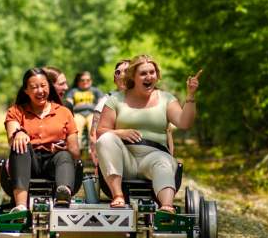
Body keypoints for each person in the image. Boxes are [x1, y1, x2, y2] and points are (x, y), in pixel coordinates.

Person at [95, 54, 202, 214]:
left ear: (157, 75)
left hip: (154, 156)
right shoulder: (116, 100)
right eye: (143, 73)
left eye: (152, 72)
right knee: (106, 139)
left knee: (163, 161)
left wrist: (191, 95)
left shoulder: (166, 99)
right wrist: (120, 133)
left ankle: (166, 206)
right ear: (133, 77)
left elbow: (184, 122)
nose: (148, 77)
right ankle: (118, 195)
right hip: (125, 158)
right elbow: (101, 131)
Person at [5, 67, 81, 210]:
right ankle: (21, 206)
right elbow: (11, 135)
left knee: (65, 154)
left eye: (43, 86)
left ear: (49, 87)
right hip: (28, 162)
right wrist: (19, 133)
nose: (40, 91)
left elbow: (76, 152)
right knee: (19, 144)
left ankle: (63, 195)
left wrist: (65, 147)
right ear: (26, 91)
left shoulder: (64, 112)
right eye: (34, 87)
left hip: (55, 162)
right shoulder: (15, 111)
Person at [88, 59, 130, 165]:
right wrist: (97, 159)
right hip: (114, 153)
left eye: (127, 71)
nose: (122, 75)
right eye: (118, 72)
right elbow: (94, 134)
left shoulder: (146, 100)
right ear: (115, 79)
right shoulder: (105, 102)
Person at [68, 71, 103, 154]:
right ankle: (77, 148)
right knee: (76, 125)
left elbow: (101, 103)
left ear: (91, 81)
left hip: (92, 113)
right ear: (78, 81)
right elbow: (69, 103)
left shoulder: (96, 91)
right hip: (78, 114)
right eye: (82, 80)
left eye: (88, 80)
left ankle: (93, 148)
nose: (85, 82)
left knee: (93, 125)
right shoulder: (73, 91)